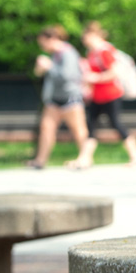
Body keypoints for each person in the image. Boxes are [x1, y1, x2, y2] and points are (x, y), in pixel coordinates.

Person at [72, 21, 136, 169]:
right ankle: (85, 158)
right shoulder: (91, 53)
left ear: (93, 35)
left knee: (116, 124)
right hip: (97, 96)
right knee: (91, 127)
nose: (84, 41)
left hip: (111, 95)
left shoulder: (105, 51)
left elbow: (114, 72)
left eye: (86, 37)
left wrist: (95, 78)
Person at [27, 25, 92, 169]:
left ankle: (86, 158)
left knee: (78, 129)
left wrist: (49, 67)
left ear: (52, 39)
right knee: (46, 128)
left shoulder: (68, 53)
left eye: (43, 42)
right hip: (54, 99)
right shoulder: (55, 54)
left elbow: (69, 76)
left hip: (71, 97)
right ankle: (40, 161)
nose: (42, 46)